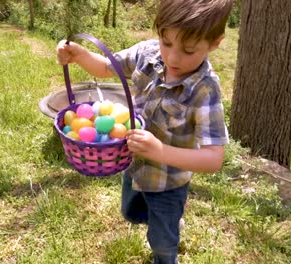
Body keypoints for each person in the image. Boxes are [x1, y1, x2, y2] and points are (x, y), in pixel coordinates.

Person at [57, 0, 233, 263]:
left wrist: (159, 151)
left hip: (168, 183)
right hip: (134, 167)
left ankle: (166, 241)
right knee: (130, 213)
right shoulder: (146, 55)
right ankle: (162, 221)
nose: (173, 57)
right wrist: (81, 55)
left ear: (214, 44)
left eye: (188, 50)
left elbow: (213, 158)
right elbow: (106, 67)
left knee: (162, 242)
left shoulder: (205, 90)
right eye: (167, 42)